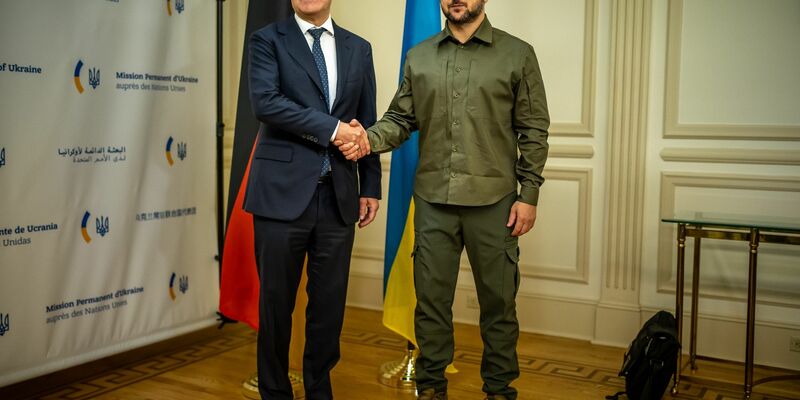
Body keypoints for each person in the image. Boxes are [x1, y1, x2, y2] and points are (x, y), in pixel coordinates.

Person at [338, 0, 549, 398]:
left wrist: (529, 193)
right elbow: (401, 120)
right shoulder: (419, 56)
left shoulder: (517, 54)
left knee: (499, 307)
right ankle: (430, 388)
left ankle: (499, 391)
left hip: (496, 203)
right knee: (431, 306)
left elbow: (534, 129)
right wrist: (365, 139)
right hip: (433, 202)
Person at [243, 0, 381, 398]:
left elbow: (366, 122)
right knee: (275, 308)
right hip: (279, 197)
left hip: (338, 197)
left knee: (328, 310)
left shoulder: (359, 48)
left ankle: (320, 391)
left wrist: (369, 184)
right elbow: (265, 103)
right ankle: (275, 392)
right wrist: (334, 129)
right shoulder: (267, 40)